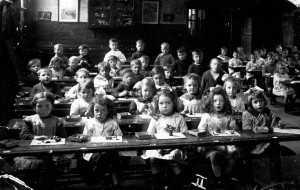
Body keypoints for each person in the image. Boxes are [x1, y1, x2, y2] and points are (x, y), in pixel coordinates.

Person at [16, 92, 66, 189]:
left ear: (52, 106)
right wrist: (34, 137)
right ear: (34, 107)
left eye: (47, 106)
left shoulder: (57, 121)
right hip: (33, 154)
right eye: (39, 106)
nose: (43, 109)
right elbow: (23, 136)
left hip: (52, 153)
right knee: (34, 169)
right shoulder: (30, 120)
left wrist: (57, 138)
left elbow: (63, 137)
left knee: (50, 168)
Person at [142, 89, 188, 190]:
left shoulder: (179, 118)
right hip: (158, 147)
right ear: (157, 104)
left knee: (173, 159)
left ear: (174, 103)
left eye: (168, 103)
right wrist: (157, 147)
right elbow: (150, 135)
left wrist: (175, 147)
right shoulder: (156, 118)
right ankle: (158, 184)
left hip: (175, 147)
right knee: (154, 159)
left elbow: (186, 136)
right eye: (161, 103)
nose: (164, 106)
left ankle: (177, 185)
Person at [78, 95, 122, 188]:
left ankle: (112, 180)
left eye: (103, 110)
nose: (99, 113)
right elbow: (86, 139)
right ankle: (105, 179)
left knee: (109, 156)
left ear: (108, 111)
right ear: (92, 110)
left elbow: (119, 138)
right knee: (98, 159)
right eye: (96, 110)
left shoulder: (113, 123)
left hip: (109, 151)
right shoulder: (90, 123)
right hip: (92, 151)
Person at [198, 87, 239, 181]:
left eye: (221, 101)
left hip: (226, 144)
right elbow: (201, 130)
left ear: (225, 102)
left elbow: (234, 130)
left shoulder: (228, 116)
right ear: (210, 102)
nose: (218, 103)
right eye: (215, 101)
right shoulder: (207, 116)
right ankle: (218, 178)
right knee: (214, 156)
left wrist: (231, 131)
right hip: (211, 145)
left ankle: (223, 177)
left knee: (233, 159)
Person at [242, 90, 278, 154]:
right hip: (253, 141)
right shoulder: (246, 114)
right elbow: (247, 130)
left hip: (267, 139)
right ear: (251, 103)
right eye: (255, 102)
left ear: (264, 101)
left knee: (275, 146)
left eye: (261, 101)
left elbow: (273, 126)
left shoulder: (268, 112)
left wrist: (278, 125)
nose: (259, 104)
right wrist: (267, 130)